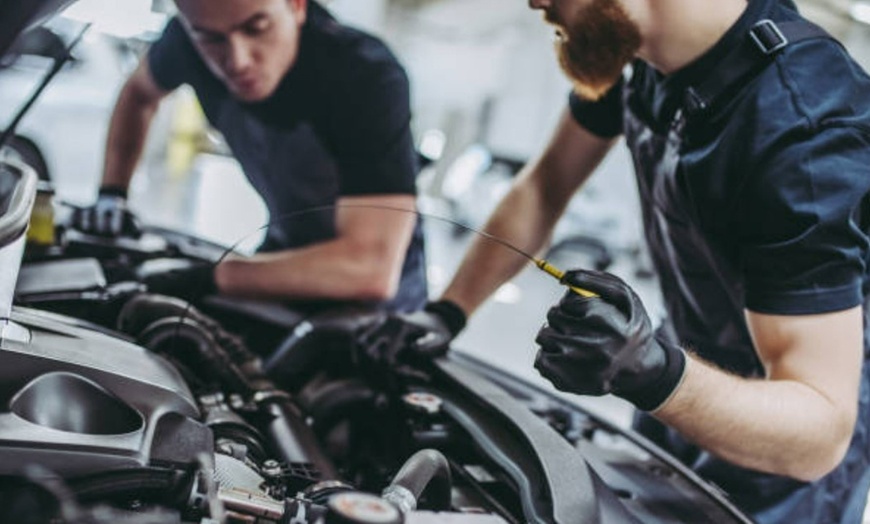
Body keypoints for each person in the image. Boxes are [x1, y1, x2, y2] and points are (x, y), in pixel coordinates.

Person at [367, 0, 870, 521]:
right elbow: (545, 186)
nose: (535, 1)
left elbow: (819, 434)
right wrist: (448, 310)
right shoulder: (637, 53)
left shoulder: (801, 125)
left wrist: (654, 371)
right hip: (681, 386)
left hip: (781, 464)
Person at [76, 0, 427, 312]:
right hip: (283, 252)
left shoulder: (364, 76)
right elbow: (139, 92)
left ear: (297, 6)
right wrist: (112, 193)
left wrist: (210, 277)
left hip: (379, 301)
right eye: (211, 38)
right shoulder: (186, 43)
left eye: (256, 28)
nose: (238, 60)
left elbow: (369, 267)